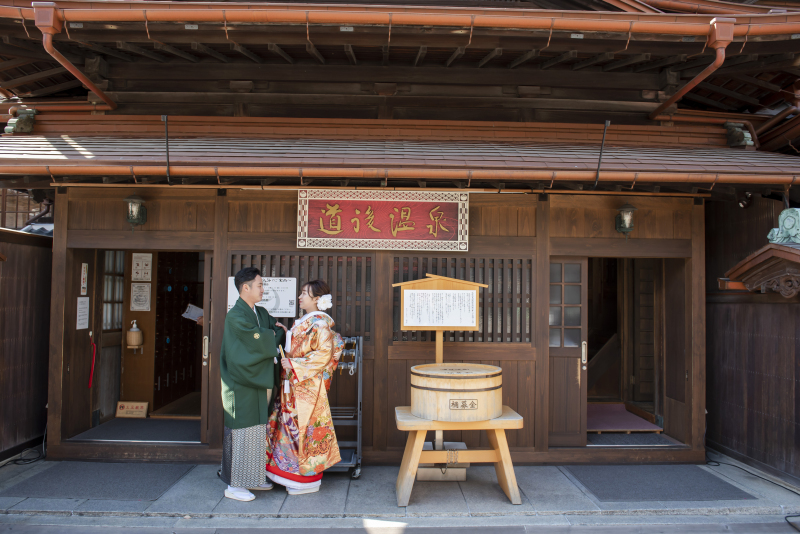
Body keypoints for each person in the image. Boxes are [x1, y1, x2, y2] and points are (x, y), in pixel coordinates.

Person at [266, 280, 344, 495]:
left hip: (305, 387)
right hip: (294, 384)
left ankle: (302, 480)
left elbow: (322, 355)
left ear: (317, 299)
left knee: (301, 429)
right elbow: (301, 348)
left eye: (304, 294)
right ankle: (286, 474)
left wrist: (293, 364)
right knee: (289, 425)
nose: (300, 297)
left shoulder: (320, 324)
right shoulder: (308, 321)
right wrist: (287, 333)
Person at [220, 267, 287, 502]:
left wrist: (272, 334)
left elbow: (273, 331)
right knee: (241, 430)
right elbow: (268, 338)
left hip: (256, 379)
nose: (263, 289)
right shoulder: (235, 315)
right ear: (245, 287)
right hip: (241, 381)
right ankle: (234, 485)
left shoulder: (259, 312)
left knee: (258, 428)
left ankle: (253, 476)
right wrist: (271, 334)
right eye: (259, 285)